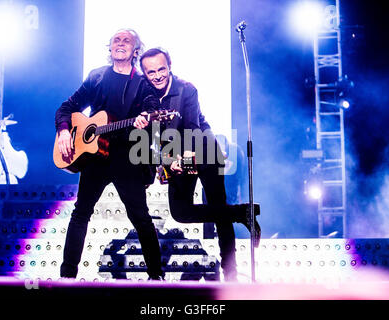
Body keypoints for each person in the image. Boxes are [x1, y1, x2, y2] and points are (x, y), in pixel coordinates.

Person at [138, 48, 260, 281]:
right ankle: (241, 213)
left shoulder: (187, 89)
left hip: (204, 148)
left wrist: (174, 160)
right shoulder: (146, 97)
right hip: (173, 154)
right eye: (150, 71)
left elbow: (192, 130)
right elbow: (151, 134)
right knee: (181, 212)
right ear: (145, 73)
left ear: (170, 65)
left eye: (161, 69)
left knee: (218, 209)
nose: (157, 76)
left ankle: (231, 274)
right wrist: (161, 162)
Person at [55, 29, 164, 280]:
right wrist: (63, 131)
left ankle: (156, 278)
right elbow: (67, 108)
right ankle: (67, 277)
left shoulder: (142, 82)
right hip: (95, 157)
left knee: (140, 216)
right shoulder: (97, 77)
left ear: (136, 50)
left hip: (126, 157)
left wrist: (145, 118)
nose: (121, 43)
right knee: (81, 212)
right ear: (110, 48)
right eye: (117, 39)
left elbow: (152, 106)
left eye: (127, 40)